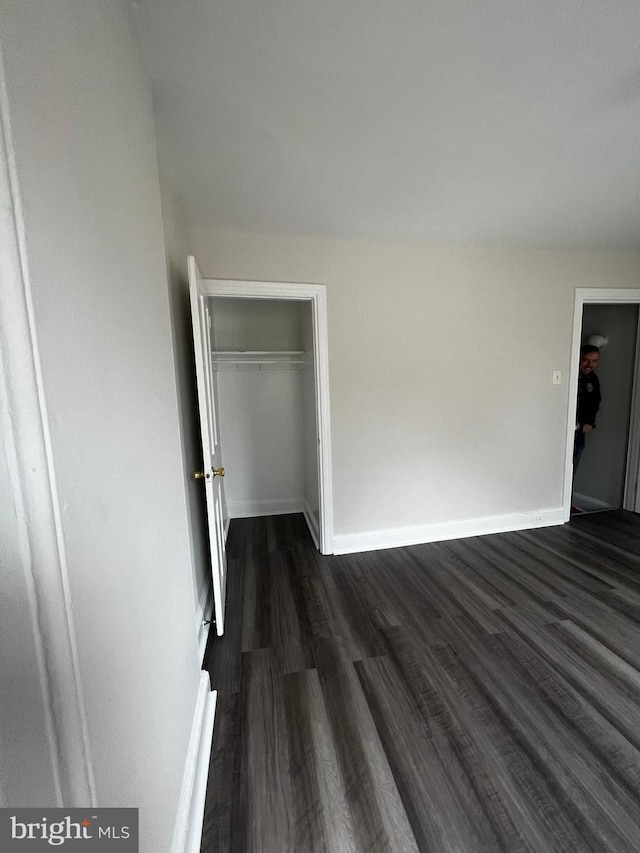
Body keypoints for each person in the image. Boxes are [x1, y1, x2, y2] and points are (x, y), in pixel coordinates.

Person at [573, 344, 601, 476]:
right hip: (568, 425)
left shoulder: (593, 379)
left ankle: (568, 493)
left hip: (582, 428)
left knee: (578, 452)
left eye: (594, 361)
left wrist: (590, 422)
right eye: (586, 360)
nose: (590, 364)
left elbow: (595, 402)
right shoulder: (572, 375)